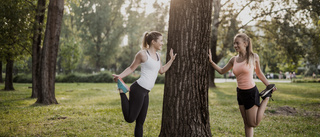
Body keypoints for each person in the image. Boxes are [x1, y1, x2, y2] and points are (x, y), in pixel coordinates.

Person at [208, 33, 277, 137]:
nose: (235, 45)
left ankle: (266, 97)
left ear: (245, 43)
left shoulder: (254, 57)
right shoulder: (233, 59)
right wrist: (211, 62)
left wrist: (269, 85)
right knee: (246, 123)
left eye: (237, 43)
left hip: (251, 92)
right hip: (240, 93)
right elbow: (222, 71)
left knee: (254, 123)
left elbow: (259, 73)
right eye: (234, 43)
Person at [112, 31, 177, 137]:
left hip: (146, 92)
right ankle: (122, 91)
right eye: (160, 41)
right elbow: (131, 68)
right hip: (138, 89)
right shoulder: (142, 54)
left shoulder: (158, 55)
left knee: (140, 122)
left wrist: (171, 60)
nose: (162, 43)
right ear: (153, 41)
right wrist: (120, 76)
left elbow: (161, 70)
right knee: (130, 119)